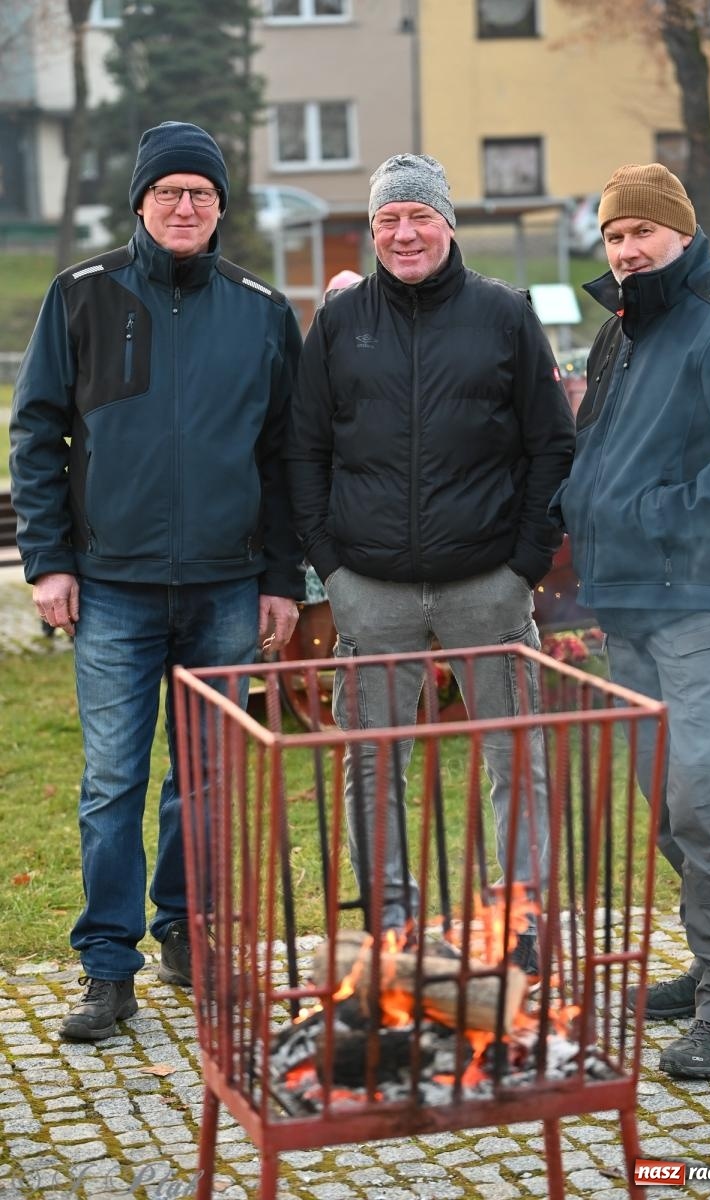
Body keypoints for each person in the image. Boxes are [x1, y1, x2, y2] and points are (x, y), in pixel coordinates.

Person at [9, 121, 304, 1040]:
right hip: (112, 590)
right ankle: (107, 965)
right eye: (169, 192)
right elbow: (37, 435)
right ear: (140, 202)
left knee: (206, 779)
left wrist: (279, 579)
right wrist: (49, 561)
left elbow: (284, 457)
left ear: (222, 209)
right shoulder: (81, 295)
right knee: (112, 782)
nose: (186, 207)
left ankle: (188, 933)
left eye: (202, 194)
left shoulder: (260, 309)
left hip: (225, 589)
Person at [285, 153, 575, 964]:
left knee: (516, 758)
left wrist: (524, 561)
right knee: (370, 766)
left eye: (418, 216)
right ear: (373, 229)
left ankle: (517, 922)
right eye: (388, 220)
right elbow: (304, 449)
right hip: (369, 590)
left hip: (487, 583)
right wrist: (331, 567)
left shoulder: (503, 313)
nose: (404, 233)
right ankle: (390, 922)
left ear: (447, 223)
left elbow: (551, 444)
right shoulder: (338, 323)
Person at [551, 163, 710, 1079]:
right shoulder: (625, 330)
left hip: (706, 608)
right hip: (627, 609)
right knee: (666, 807)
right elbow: (600, 458)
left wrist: (646, 515)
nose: (625, 250)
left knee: (702, 800)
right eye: (614, 237)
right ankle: (707, 965)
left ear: (681, 234)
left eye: (641, 234)